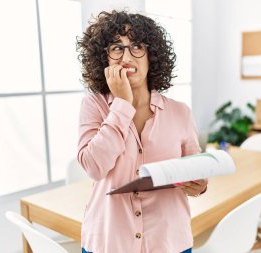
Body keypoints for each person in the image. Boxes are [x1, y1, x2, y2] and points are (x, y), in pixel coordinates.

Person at [76, 10, 208, 253]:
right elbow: (94, 167)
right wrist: (122, 104)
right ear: (104, 59)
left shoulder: (180, 112)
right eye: (116, 47)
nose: (126, 56)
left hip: (168, 241)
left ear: (151, 56)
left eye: (136, 45)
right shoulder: (94, 105)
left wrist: (199, 184)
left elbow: (196, 171)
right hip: (109, 241)